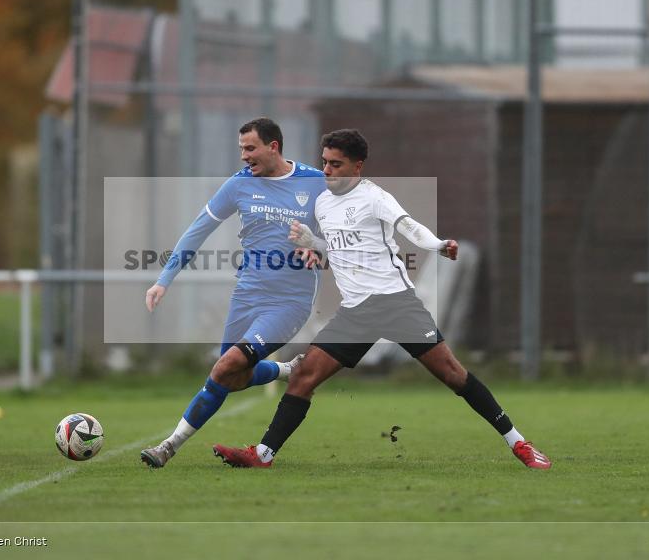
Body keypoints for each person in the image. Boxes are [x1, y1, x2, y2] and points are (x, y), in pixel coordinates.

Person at [212, 129, 552, 470]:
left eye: (336, 164)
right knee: (304, 378)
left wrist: (438, 244)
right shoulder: (323, 202)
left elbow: (410, 227)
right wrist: (311, 241)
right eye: (325, 163)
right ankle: (263, 455)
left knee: (453, 375)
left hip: (396, 305)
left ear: (357, 167)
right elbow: (338, 247)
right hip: (355, 313)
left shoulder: (375, 197)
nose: (327, 171)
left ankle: (518, 442)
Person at [140, 117, 326, 468]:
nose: (244, 156)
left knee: (226, 365)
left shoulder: (316, 183)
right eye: (241, 149)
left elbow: (345, 235)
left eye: (250, 148)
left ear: (273, 147)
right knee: (229, 376)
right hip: (247, 295)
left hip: (290, 302)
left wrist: (318, 247)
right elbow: (198, 230)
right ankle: (285, 370)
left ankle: (168, 446)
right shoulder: (239, 185)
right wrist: (164, 279)